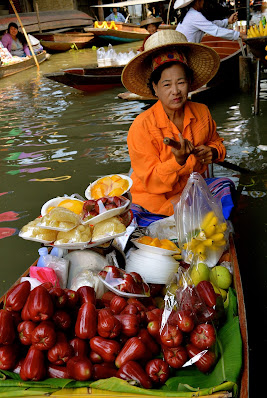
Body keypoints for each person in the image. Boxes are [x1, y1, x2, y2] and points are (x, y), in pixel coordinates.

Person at [122, 30, 234, 220]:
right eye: (166, 85)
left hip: (191, 190)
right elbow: (151, 182)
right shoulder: (141, 126)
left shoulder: (202, 112)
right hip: (153, 200)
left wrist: (212, 152)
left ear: (189, 84)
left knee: (226, 186)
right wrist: (178, 162)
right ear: (155, 88)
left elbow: (217, 143)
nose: (175, 91)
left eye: (181, 82)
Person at [174, 0, 247, 43]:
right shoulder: (194, 15)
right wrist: (239, 35)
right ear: (197, 2)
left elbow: (210, 24)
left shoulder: (191, 14)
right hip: (185, 51)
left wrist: (227, 21)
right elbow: (215, 30)